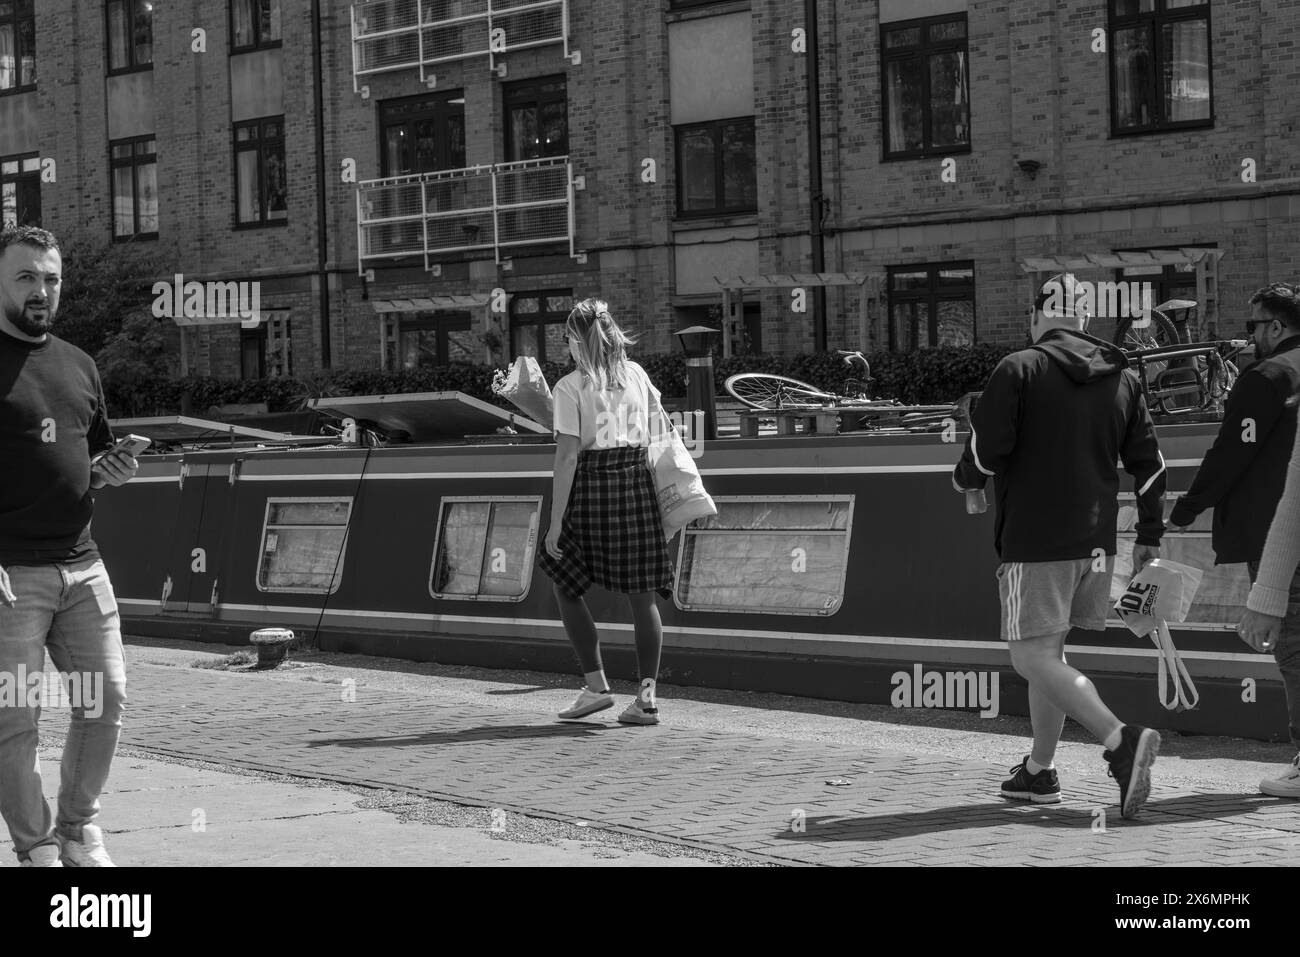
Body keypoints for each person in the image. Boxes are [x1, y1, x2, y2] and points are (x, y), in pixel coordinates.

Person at [953, 273, 1168, 819]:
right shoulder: (1122, 378)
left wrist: (966, 483)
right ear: (1085, 318)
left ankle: (1121, 741)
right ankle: (1039, 772)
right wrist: (1148, 534)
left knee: (1029, 656)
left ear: (1036, 317)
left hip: (1036, 538)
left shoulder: (1020, 368)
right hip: (1097, 542)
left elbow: (986, 450)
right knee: (1050, 656)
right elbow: (1149, 465)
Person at [0, 225, 139, 866]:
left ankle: (78, 829)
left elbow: (93, 453)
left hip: (82, 565)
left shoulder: (81, 364)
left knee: (103, 700)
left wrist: (112, 470)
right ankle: (36, 851)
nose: (41, 290)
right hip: (10, 574)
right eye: (27, 276)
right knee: (15, 721)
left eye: (51, 278)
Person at [539, 298, 674, 725]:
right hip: (636, 484)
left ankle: (596, 687)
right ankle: (647, 699)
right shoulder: (637, 375)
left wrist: (556, 523)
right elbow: (661, 434)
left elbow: (567, 459)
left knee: (563, 580)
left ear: (576, 340)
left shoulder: (568, 387)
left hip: (593, 487)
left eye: (566, 337)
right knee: (642, 596)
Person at [1212, 283, 1300, 798]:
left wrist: (1183, 512)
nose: (1249, 337)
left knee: (1293, 649)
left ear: (1276, 326)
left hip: (1271, 536)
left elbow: (1292, 497)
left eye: (1254, 325)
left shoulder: (1267, 376)